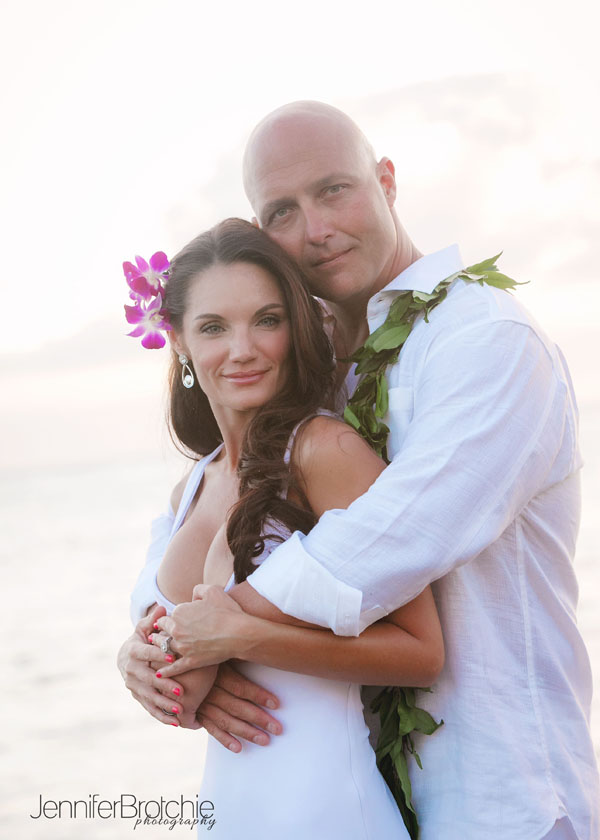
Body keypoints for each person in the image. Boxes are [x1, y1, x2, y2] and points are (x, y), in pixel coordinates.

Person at [122, 102, 599, 839]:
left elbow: (390, 540)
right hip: (365, 792)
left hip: (503, 795)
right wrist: (160, 659)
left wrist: (208, 638)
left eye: (334, 190)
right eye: (282, 210)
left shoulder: (485, 342)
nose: (315, 229)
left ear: (386, 181)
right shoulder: (317, 382)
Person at [125, 217, 444, 837]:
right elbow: (185, 685)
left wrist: (242, 637)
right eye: (214, 327)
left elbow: (423, 653)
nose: (242, 348)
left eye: (266, 320)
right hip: (231, 810)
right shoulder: (192, 486)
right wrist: (134, 664)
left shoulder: (325, 453)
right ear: (179, 340)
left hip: (327, 808)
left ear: (294, 329)